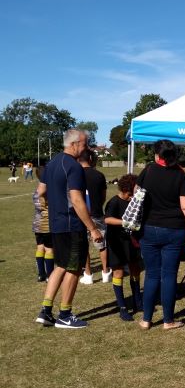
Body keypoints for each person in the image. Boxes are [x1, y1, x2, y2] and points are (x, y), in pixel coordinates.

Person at [35, 129, 103, 329]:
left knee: (61, 266)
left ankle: (46, 311)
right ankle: (65, 314)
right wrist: (92, 228)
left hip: (56, 225)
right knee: (74, 267)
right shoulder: (73, 167)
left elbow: (41, 191)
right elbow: (76, 199)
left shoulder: (52, 163)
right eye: (85, 143)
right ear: (74, 144)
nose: (87, 147)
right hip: (72, 225)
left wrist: (54, 207)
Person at [136, 139, 185, 330]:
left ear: (157, 155)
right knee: (168, 275)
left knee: (151, 275)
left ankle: (146, 319)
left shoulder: (148, 170)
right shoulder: (181, 175)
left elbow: (137, 194)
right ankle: (168, 320)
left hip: (149, 228)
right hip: (174, 230)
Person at [104, 173, 142, 322]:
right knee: (118, 273)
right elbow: (107, 219)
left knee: (135, 269)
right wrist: (124, 223)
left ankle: (137, 301)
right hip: (116, 242)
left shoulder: (133, 202)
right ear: (127, 190)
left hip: (131, 242)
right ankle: (122, 308)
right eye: (132, 193)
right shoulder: (114, 202)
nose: (132, 196)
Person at [78, 149, 111, 285]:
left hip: (82, 215)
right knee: (102, 245)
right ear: (91, 159)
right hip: (97, 213)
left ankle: (88, 274)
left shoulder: (76, 175)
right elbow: (103, 196)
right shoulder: (99, 175)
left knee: (84, 246)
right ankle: (105, 272)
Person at [32, 166, 54, 282]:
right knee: (49, 249)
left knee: (40, 247)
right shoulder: (48, 190)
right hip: (47, 224)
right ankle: (50, 276)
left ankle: (41, 274)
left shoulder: (36, 190)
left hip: (37, 223)